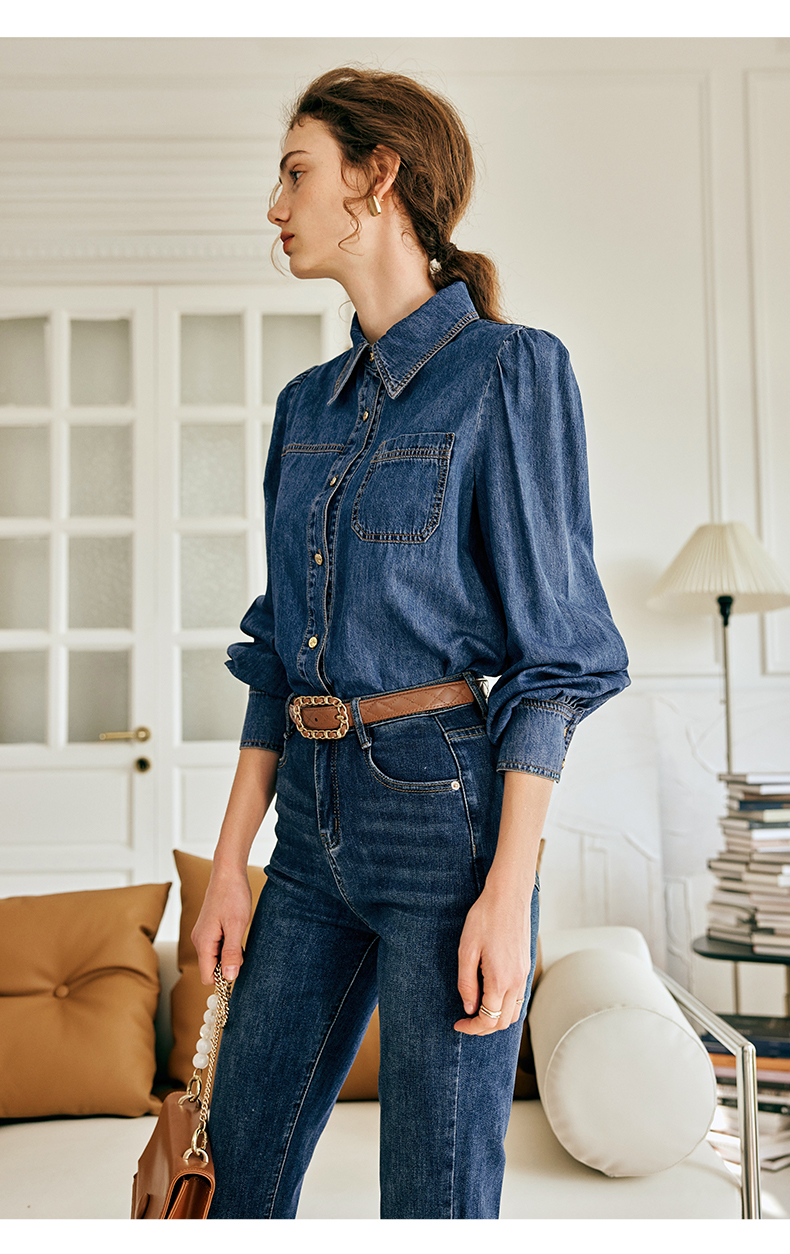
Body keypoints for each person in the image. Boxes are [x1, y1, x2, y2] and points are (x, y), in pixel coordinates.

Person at [192, 66, 630, 1220]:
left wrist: (507, 892)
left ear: (377, 177)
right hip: (306, 830)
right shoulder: (306, 406)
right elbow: (276, 652)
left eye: (297, 172)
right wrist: (229, 864)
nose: (275, 206)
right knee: (229, 1184)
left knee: (432, 1204)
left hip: (445, 824)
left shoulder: (509, 371)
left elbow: (556, 660)